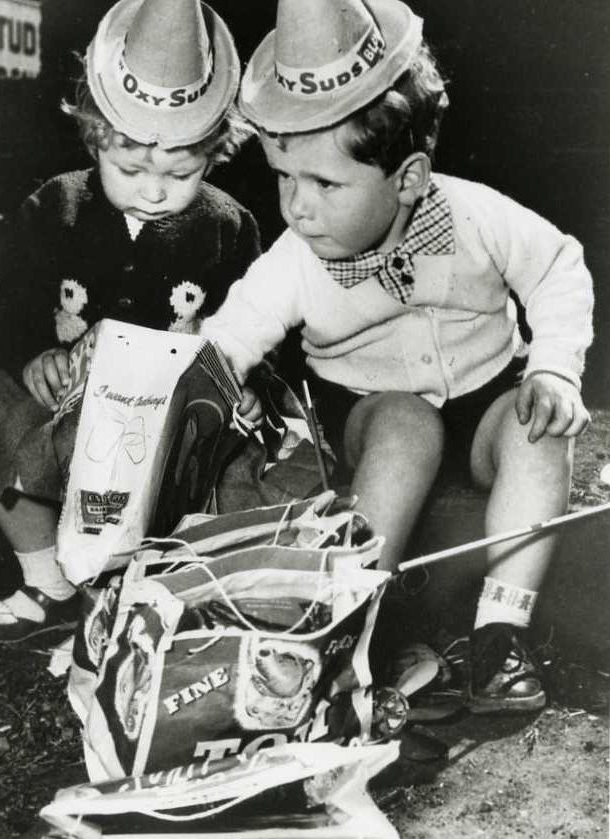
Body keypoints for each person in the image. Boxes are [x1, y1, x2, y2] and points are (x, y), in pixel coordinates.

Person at [201, 0, 595, 713]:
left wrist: (554, 368)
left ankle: (499, 634)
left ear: (408, 178)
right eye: (284, 176)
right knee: (408, 425)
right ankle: (349, 634)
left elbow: (558, 265)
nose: (297, 207)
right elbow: (224, 344)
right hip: (372, 414)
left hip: (484, 401)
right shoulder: (295, 261)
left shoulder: (472, 213)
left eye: (324, 183)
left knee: (540, 431)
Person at [0, 0, 262, 643]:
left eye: (181, 173)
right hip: (60, 428)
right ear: (94, 137)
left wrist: (239, 378)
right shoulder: (55, 207)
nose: (155, 191)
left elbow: (258, 328)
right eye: (130, 169)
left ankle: (187, 596)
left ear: (216, 153)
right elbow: (3, 308)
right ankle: (46, 578)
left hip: (166, 444)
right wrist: (31, 355)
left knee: (244, 458)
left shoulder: (230, 228)